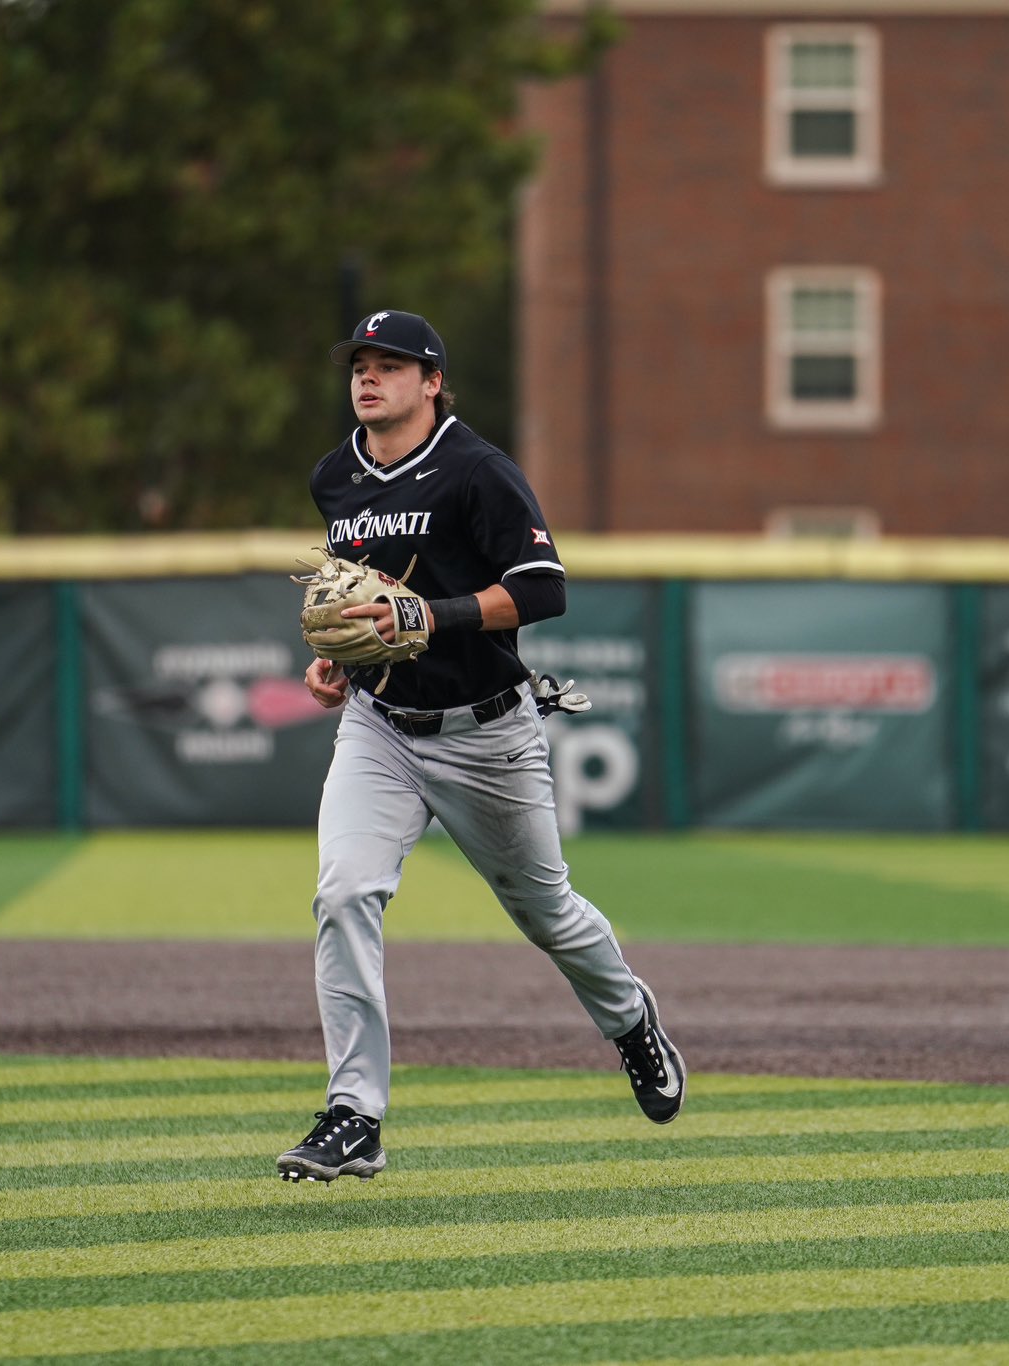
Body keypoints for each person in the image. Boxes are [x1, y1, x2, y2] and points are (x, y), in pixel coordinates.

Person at [276, 309, 685, 1183]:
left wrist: (436, 616)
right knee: (345, 893)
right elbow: (371, 604)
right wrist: (336, 658)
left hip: (486, 733)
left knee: (549, 914)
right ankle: (355, 1115)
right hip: (379, 725)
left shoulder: (477, 471)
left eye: (392, 363)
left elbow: (543, 590)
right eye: (360, 362)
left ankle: (630, 1021)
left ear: (432, 383)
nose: (369, 376)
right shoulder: (334, 477)